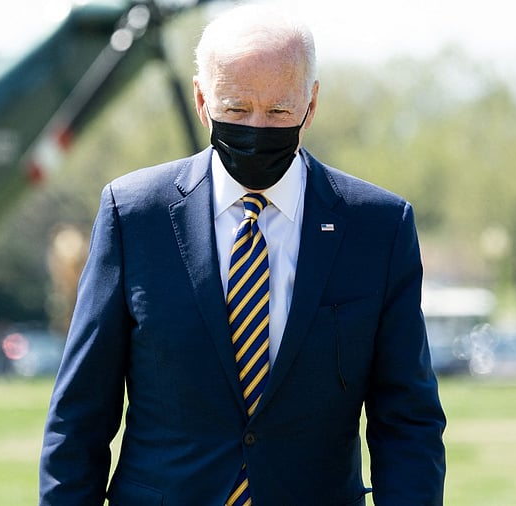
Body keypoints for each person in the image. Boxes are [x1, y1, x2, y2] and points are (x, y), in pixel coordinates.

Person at [39, 4, 446, 505]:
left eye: (278, 111)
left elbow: (408, 423)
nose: (257, 127)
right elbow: (79, 418)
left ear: (311, 103)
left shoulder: (378, 227)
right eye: (236, 109)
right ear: (201, 99)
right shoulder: (134, 216)